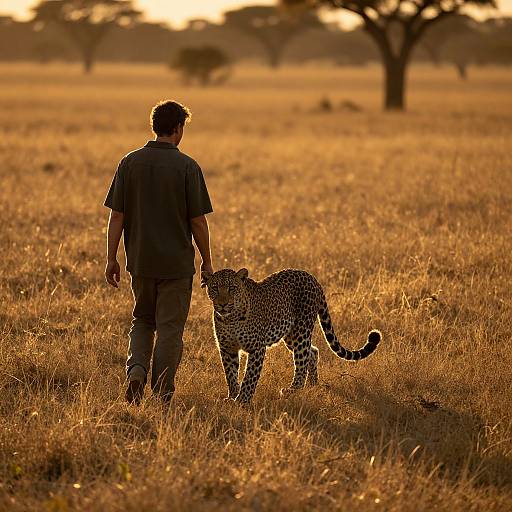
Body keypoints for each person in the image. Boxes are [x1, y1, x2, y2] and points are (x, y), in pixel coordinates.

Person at [103, 100, 214, 405]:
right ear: (178, 129)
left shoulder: (129, 162)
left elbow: (116, 217)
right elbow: (198, 222)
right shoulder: (188, 166)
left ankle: (136, 372)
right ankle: (163, 393)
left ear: (154, 126)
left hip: (140, 262)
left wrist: (112, 258)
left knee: (142, 320)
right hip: (176, 266)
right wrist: (207, 262)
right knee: (169, 329)